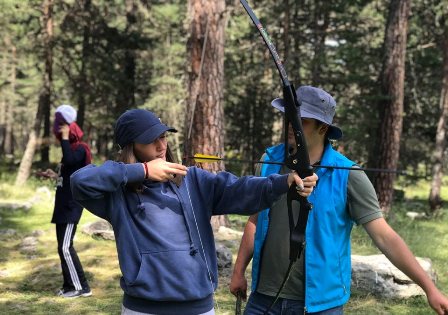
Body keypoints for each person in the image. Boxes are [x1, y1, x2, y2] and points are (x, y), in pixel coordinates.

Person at [70, 108, 318, 315]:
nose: (161, 145)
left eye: (163, 136)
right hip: (143, 308)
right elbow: (80, 182)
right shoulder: (118, 193)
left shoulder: (194, 181)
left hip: (198, 306)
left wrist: (284, 181)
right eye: (150, 140)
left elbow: (240, 189)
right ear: (131, 147)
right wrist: (143, 172)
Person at [229, 86, 448, 315]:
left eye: (301, 121)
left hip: (320, 306)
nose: (290, 125)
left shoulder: (348, 175)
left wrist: (429, 288)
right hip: (263, 299)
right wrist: (238, 271)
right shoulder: (269, 161)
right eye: (289, 118)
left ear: (323, 127)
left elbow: (385, 237)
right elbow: (255, 220)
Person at [38, 104, 92, 298]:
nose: (60, 131)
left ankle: (82, 288)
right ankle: (69, 285)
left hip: (71, 206)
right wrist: (53, 175)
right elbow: (68, 172)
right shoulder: (70, 149)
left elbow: (70, 160)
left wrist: (66, 137)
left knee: (65, 247)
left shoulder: (80, 149)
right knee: (61, 247)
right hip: (62, 206)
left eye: (62, 126)